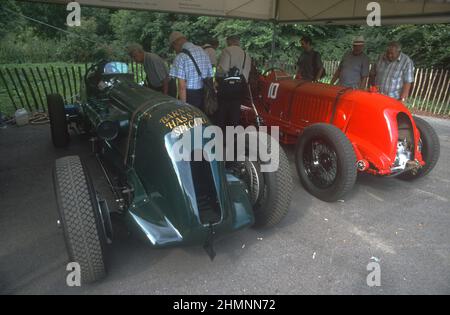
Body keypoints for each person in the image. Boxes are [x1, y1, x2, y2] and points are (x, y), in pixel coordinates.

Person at [169, 31, 214, 109]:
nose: (175, 50)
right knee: (201, 117)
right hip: (204, 92)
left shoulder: (180, 57)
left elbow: (182, 86)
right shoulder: (202, 50)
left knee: (192, 119)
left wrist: (183, 106)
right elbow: (210, 74)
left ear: (175, 43)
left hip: (190, 95)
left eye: (173, 48)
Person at [215, 35, 252, 129]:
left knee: (222, 113)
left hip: (226, 89)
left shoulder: (227, 51)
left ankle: (220, 136)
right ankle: (233, 138)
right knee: (235, 114)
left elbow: (222, 69)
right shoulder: (245, 54)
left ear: (229, 42)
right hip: (240, 89)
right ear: (238, 42)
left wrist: (217, 80)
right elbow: (246, 73)